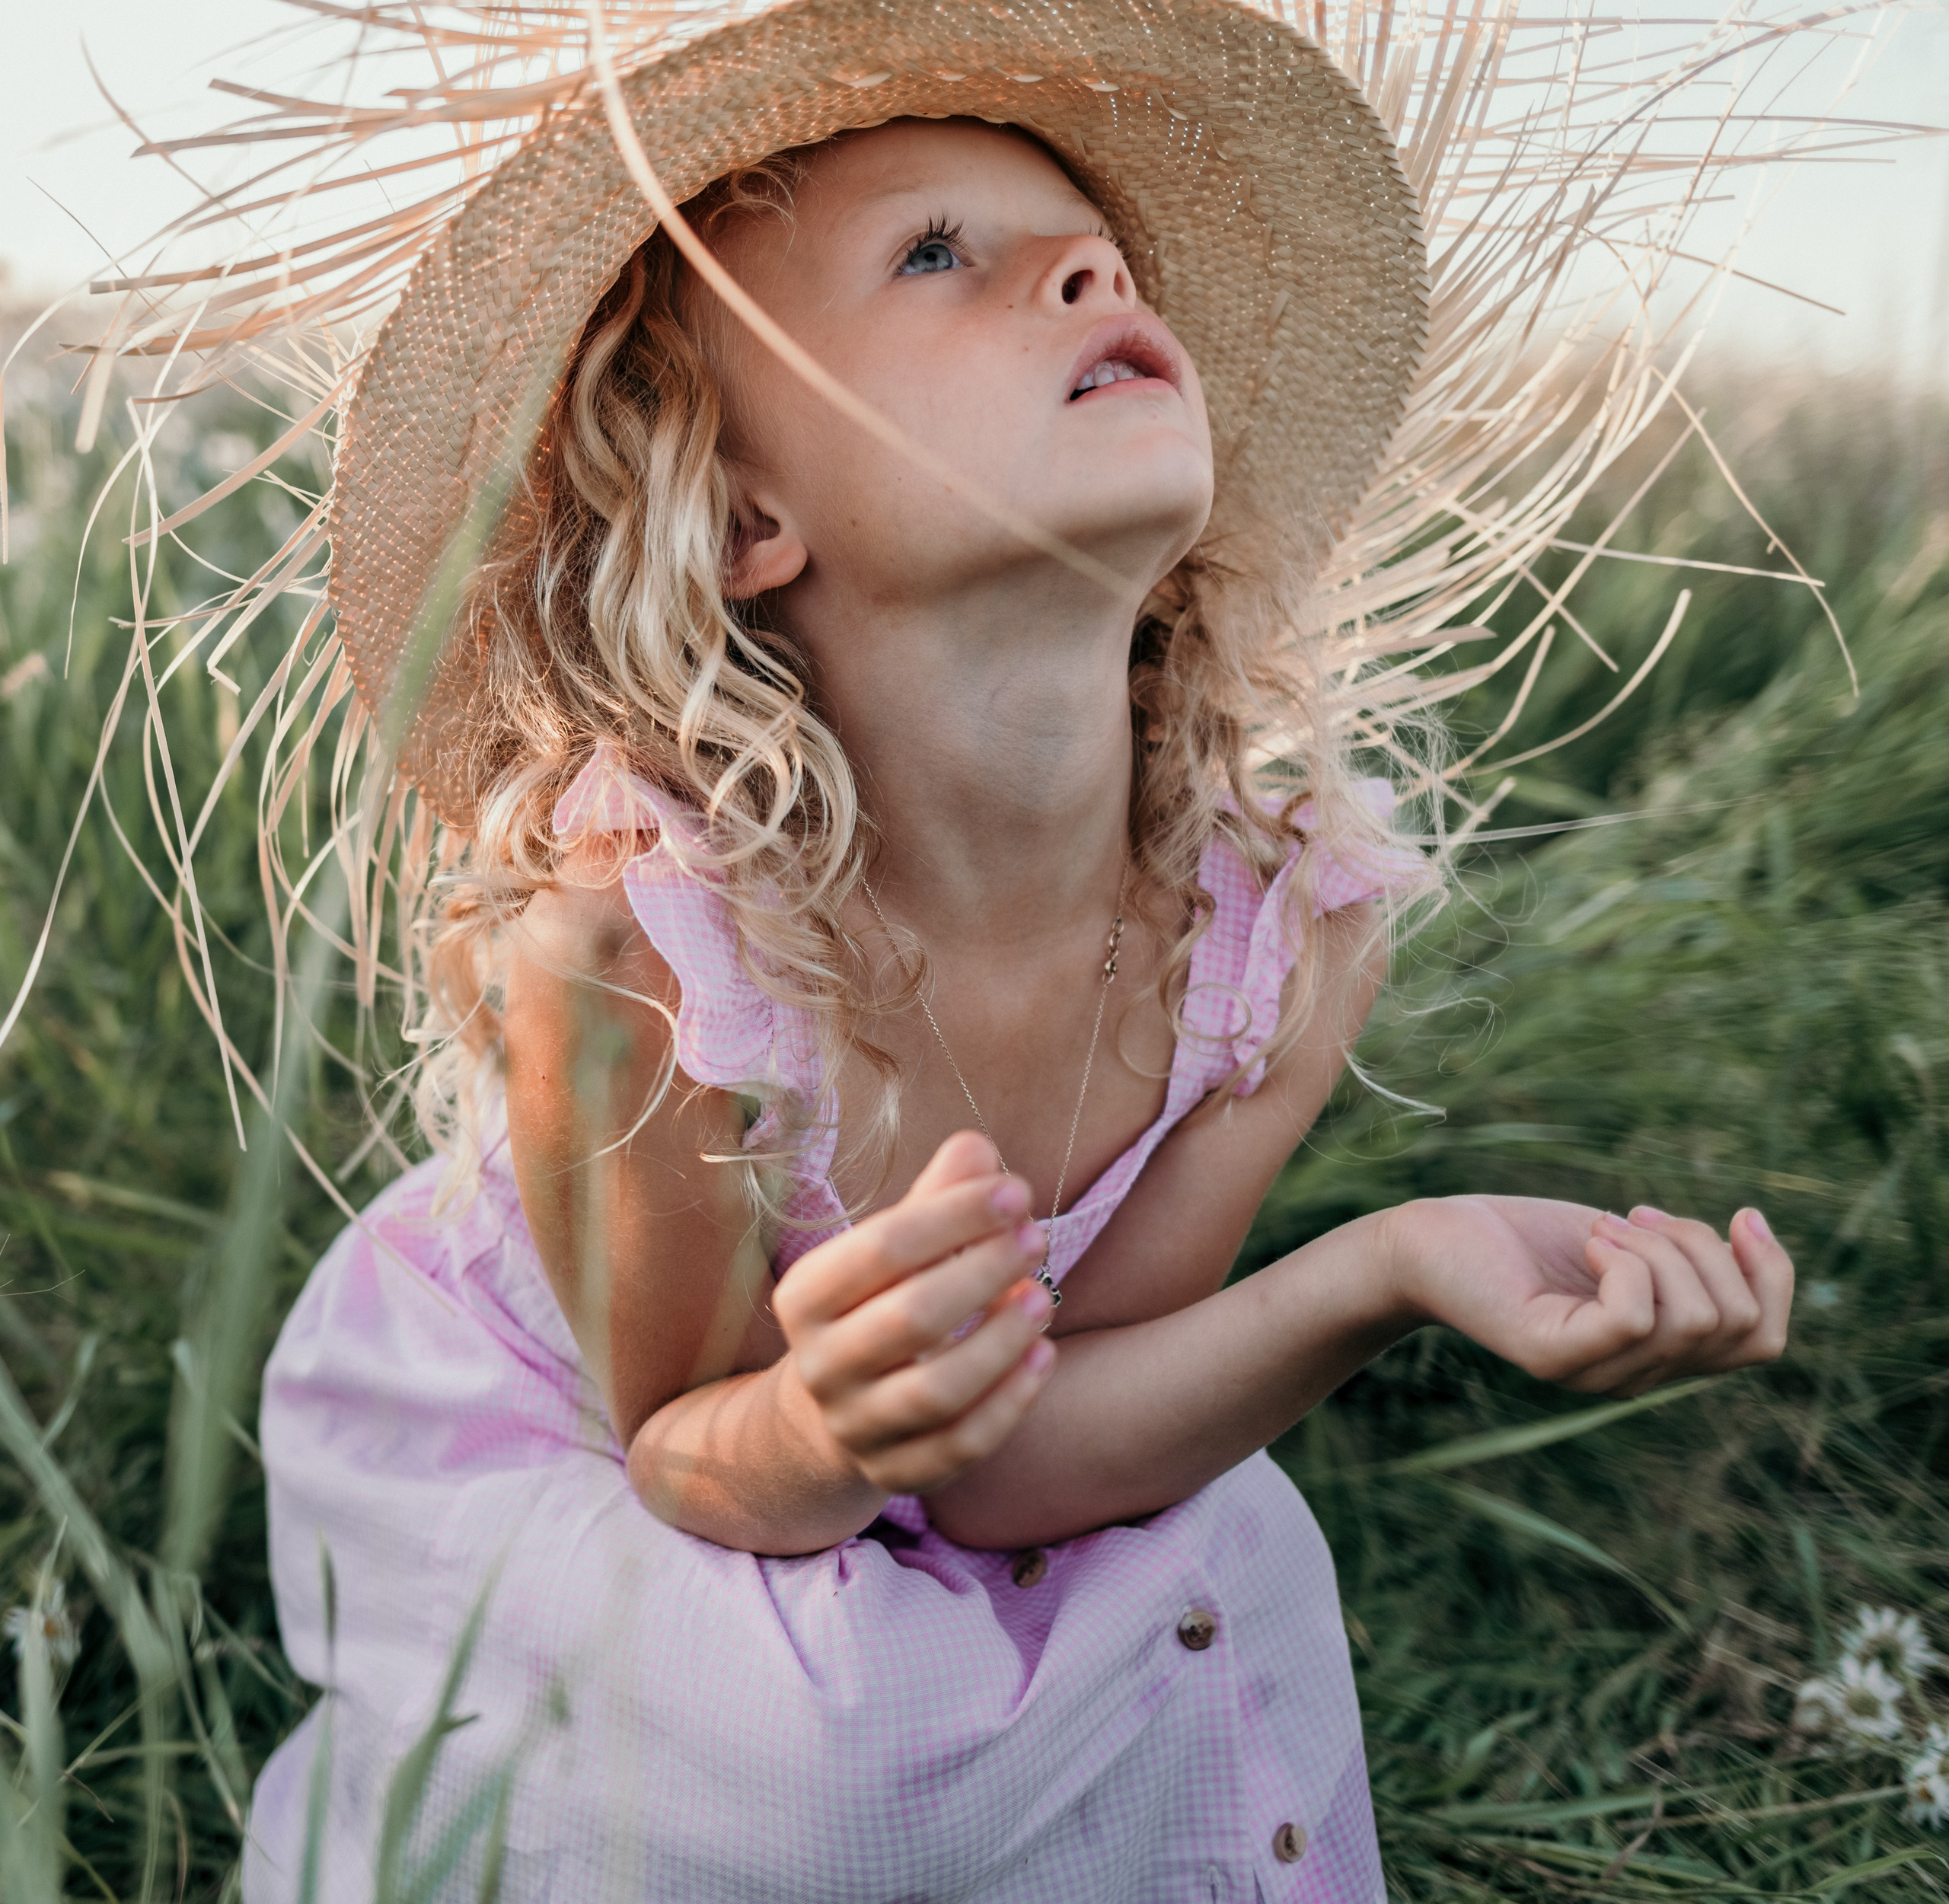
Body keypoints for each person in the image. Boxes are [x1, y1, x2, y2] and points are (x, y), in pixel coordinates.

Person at [65, 3, 1795, 1898]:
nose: (1087, 265)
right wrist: (821, 1423)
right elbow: (685, 1450)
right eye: (934, 255)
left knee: (1238, 1576)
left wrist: (1381, 1267)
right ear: (742, 517)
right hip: (601, 1425)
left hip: (915, 1443)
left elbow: (1023, 1467)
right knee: (826, 1759)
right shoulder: (637, 940)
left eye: (1093, 250)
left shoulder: (1274, 936)